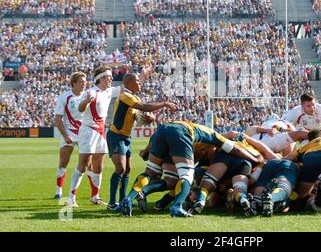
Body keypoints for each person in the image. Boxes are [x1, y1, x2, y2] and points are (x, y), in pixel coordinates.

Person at [119, 121, 264, 217]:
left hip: (161, 131)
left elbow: (162, 132)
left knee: (163, 178)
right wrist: (255, 159)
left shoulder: (201, 139)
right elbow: (234, 149)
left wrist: (146, 149)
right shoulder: (213, 136)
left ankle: (129, 199)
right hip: (181, 134)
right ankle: (176, 207)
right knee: (187, 176)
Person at [66, 66, 151, 207]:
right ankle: (71, 197)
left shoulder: (109, 91)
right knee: (83, 165)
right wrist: (86, 101)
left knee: (98, 167)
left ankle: (95, 196)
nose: (111, 78)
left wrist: (142, 75)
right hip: (88, 131)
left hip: (100, 131)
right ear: (101, 78)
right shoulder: (91, 92)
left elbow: (129, 85)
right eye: (109, 76)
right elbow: (80, 109)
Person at [106, 73, 178, 210]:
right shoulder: (125, 96)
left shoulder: (133, 98)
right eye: (138, 81)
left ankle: (122, 200)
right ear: (129, 82)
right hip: (116, 136)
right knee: (120, 168)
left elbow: (139, 118)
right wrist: (164, 104)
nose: (140, 83)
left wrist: (147, 120)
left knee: (127, 170)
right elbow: (144, 107)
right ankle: (111, 203)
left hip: (126, 137)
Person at [53, 72, 94, 199]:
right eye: (81, 82)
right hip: (69, 132)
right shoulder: (64, 97)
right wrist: (65, 135)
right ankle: (58, 191)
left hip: (85, 133)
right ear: (74, 83)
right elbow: (58, 119)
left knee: (89, 164)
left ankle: (94, 194)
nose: (84, 84)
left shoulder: (90, 95)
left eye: (85, 81)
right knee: (63, 162)